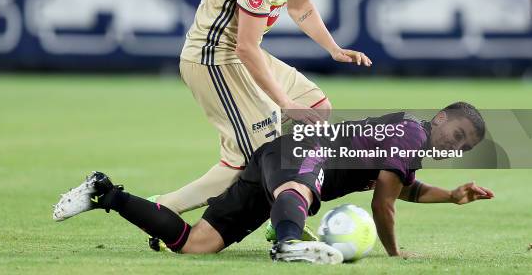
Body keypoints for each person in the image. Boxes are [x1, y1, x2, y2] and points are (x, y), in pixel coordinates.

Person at [157, 0, 371, 218]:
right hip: (213, 57)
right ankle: (161, 210)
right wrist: (284, 104)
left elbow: (300, 8)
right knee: (252, 159)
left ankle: (291, 200)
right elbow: (245, 46)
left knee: (317, 109)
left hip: (240, 53)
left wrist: (334, 48)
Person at [53, 102, 494, 263]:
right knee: (298, 190)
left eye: (463, 145)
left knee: (195, 243)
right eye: (455, 134)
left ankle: (105, 193)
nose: (454, 145)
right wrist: (396, 253)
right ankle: (286, 242)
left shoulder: (407, 142)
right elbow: (384, 203)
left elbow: (402, 189)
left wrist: (451, 197)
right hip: (298, 154)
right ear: (439, 119)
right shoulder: (411, 136)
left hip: (276, 159)